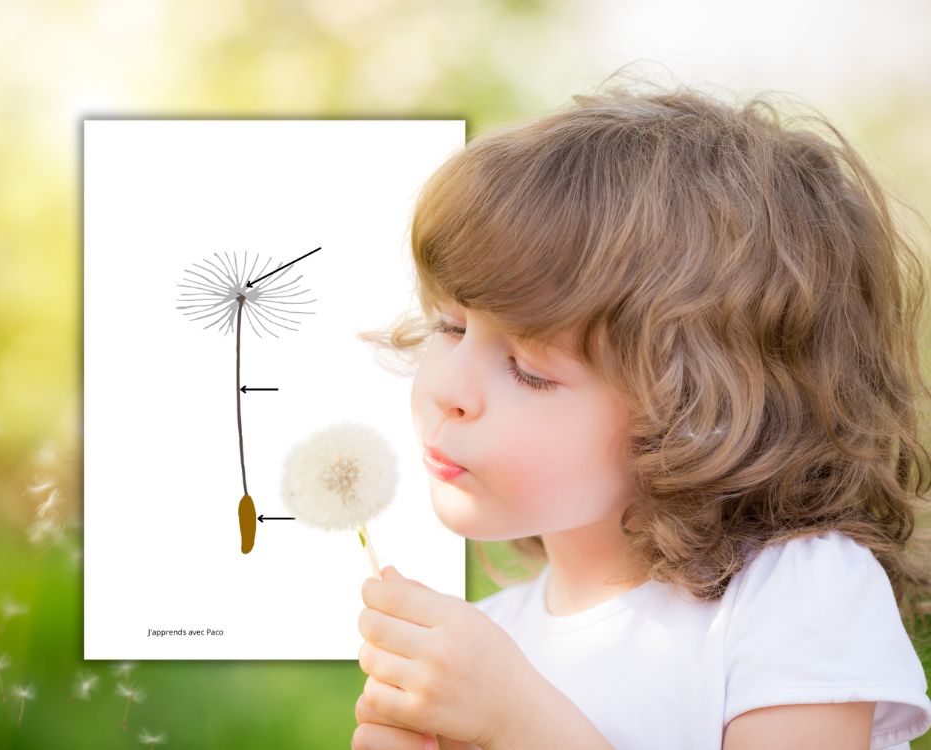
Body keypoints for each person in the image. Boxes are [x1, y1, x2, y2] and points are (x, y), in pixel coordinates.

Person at [352, 70, 931, 750]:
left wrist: (520, 726)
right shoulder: (492, 639)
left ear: (700, 415)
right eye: (450, 327)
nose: (448, 386)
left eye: (530, 369)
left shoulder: (798, 593)